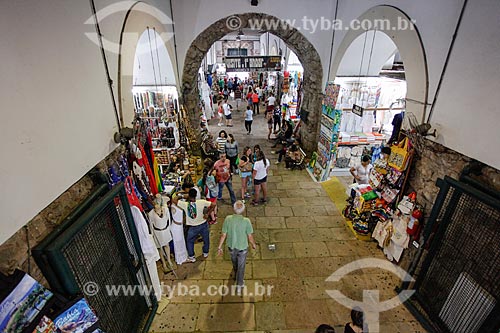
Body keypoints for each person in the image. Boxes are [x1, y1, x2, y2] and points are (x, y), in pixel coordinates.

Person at [217, 200, 257, 291]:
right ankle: (239, 284)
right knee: (241, 266)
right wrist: (253, 244)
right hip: (242, 247)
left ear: (234, 209)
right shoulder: (246, 221)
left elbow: (223, 234)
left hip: (231, 246)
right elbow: (249, 236)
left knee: (234, 261)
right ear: (243, 210)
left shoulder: (228, 219)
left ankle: (235, 271)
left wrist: (219, 247)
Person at [177, 188, 215, 262]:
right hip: (203, 225)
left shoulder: (185, 204)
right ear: (196, 195)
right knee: (206, 239)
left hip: (192, 227)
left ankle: (192, 256)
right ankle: (205, 253)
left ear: (189, 195)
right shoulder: (202, 202)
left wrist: (182, 196)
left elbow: (174, 200)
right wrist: (208, 213)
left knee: (190, 241)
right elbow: (213, 204)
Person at [168, 194, 188, 264]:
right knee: (178, 243)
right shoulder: (173, 206)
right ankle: (180, 259)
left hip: (179, 226)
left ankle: (183, 257)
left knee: (181, 242)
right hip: (176, 227)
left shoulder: (179, 204)